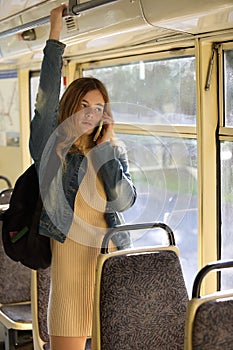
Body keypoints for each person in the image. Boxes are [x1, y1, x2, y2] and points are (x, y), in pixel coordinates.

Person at [29, 4, 137, 350]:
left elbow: (124, 201)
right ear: (72, 106)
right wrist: (54, 37)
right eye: (84, 105)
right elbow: (45, 103)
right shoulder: (53, 150)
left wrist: (104, 150)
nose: (93, 112)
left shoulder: (112, 152)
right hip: (71, 268)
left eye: (100, 106)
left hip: (109, 263)